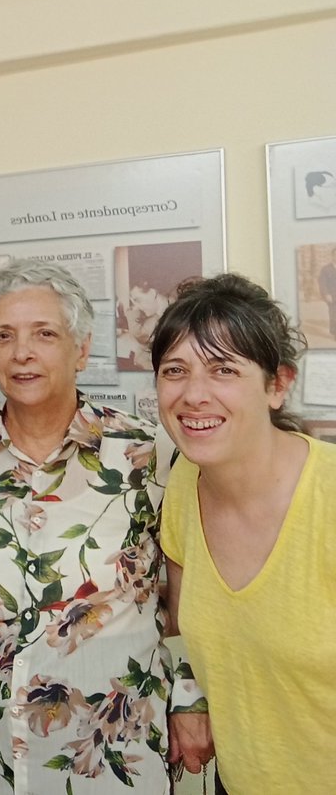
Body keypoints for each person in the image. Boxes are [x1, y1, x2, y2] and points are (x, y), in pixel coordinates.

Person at [0, 259, 178, 794]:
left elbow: (185, 602)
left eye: (44, 334)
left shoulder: (145, 452)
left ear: (80, 349)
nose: (22, 353)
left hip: (115, 746)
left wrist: (193, 701)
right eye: (4, 336)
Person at [152, 273, 334, 793]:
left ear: (277, 384)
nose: (193, 395)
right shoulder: (186, 483)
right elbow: (186, 629)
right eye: (175, 371)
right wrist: (191, 701)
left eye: (223, 369)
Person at [317, 247, 336, 337]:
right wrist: (326, 294)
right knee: (334, 314)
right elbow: (322, 283)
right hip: (332, 296)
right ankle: (334, 332)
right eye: (335, 255)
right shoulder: (326, 269)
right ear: (332, 256)